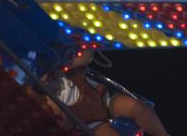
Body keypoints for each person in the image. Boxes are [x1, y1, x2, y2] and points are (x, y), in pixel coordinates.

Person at [41, 50, 170, 136]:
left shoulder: (62, 61)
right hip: (87, 121)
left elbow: (88, 54)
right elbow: (63, 121)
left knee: (136, 107)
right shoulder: (42, 95)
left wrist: (67, 66)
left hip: (102, 98)